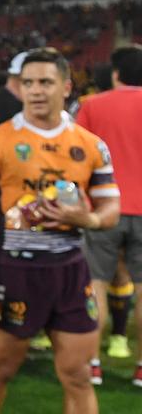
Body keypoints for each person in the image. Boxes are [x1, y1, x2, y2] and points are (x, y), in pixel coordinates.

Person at [0, 48, 121, 414]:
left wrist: (88, 220)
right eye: (28, 83)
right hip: (17, 271)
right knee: (1, 367)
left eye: (45, 82)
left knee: (77, 373)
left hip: (73, 271)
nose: (36, 91)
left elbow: (111, 208)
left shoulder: (91, 145)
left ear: (66, 86)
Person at [78, 44, 142, 386]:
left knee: (97, 285)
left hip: (102, 208)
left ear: (115, 73)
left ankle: (94, 363)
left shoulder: (92, 105)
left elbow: (76, 156)